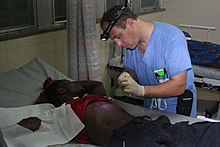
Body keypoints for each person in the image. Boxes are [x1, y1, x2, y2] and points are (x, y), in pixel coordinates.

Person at [18, 78, 220, 147]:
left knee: (212, 133)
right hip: (128, 140)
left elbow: (94, 84)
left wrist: (58, 85)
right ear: (62, 92)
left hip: (153, 126)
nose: (76, 83)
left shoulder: (95, 97)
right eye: (70, 82)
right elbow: (30, 124)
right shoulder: (62, 113)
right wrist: (48, 94)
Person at [100, 5, 197, 117]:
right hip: (151, 109)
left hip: (177, 111)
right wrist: (127, 76)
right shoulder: (132, 46)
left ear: (130, 23)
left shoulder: (171, 38)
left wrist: (142, 91)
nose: (119, 44)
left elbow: (179, 85)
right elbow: (132, 69)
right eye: (115, 39)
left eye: (118, 37)